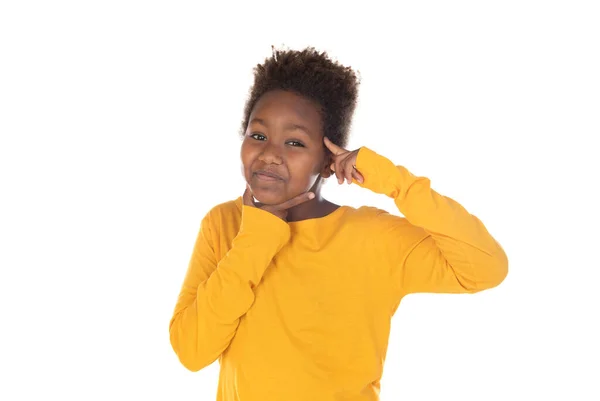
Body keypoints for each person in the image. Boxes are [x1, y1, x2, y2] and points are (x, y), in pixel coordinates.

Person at [169, 46, 508, 401]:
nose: (269, 154)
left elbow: (486, 267)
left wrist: (392, 180)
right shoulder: (223, 224)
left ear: (330, 159)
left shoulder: (373, 237)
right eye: (258, 135)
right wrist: (257, 237)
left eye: (295, 142)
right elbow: (192, 351)